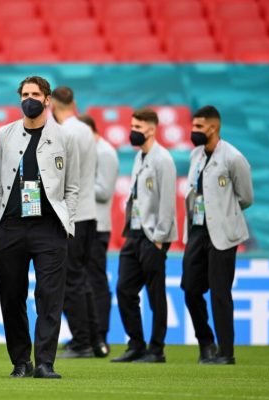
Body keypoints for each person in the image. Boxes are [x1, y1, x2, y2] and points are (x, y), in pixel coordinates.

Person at [0, 76, 79, 379]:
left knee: (49, 297)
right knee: (12, 298)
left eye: (35, 94)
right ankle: (20, 361)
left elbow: (73, 187)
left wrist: (67, 222)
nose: (30, 99)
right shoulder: (4, 135)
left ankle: (45, 363)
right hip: (10, 228)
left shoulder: (66, 138)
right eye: (25, 94)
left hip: (49, 228)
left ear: (47, 99)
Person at [181, 105, 253, 365]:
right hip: (198, 230)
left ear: (214, 127)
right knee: (189, 287)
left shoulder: (233, 157)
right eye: (193, 125)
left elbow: (246, 197)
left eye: (199, 126)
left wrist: (223, 212)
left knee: (220, 293)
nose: (194, 131)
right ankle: (206, 342)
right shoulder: (196, 156)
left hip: (222, 232)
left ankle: (226, 352)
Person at [112, 108, 177, 363]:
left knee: (155, 293)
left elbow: (168, 203)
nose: (133, 132)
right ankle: (136, 344)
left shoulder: (164, 160)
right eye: (132, 127)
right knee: (124, 289)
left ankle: (157, 349)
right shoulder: (141, 157)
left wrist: (159, 238)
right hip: (135, 233)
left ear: (151, 129)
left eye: (138, 128)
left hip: (153, 236)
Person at [50, 87, 99, 359]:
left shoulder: (65, 132)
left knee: (71, 281)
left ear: (53, 106)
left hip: (74, 215)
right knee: (81, 279)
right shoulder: (84, 130)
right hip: (88, 212)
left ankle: (82, 342)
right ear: (74, 102)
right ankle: (90, 337)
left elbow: (63, 176)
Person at [78, 114, 119, 356]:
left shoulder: (104, 152)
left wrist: (74, 184)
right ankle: (85, 334)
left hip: (98, 225)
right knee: (80, 282)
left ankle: (100, 336)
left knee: (96, 282)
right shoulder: (90, 152)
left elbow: (104, 191)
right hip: (84, 224)